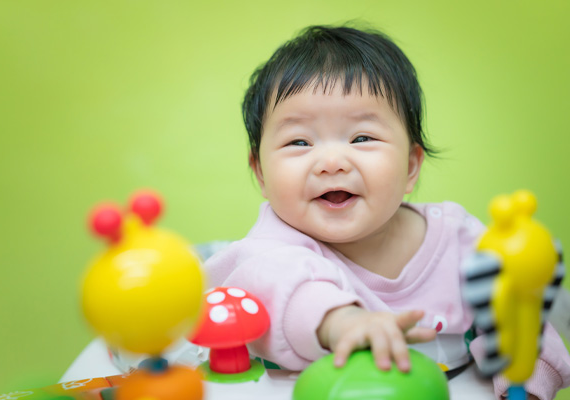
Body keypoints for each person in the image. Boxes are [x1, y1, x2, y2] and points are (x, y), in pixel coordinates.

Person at [205, 24, 570, 399]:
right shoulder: (270, 249)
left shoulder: (461, 239)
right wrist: (341, 323)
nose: (331, 162)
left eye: (362, 137)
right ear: (261, 173)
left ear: (411, 166)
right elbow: (280, 290)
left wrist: (526, 379)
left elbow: (519, 317)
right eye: (299, 141)